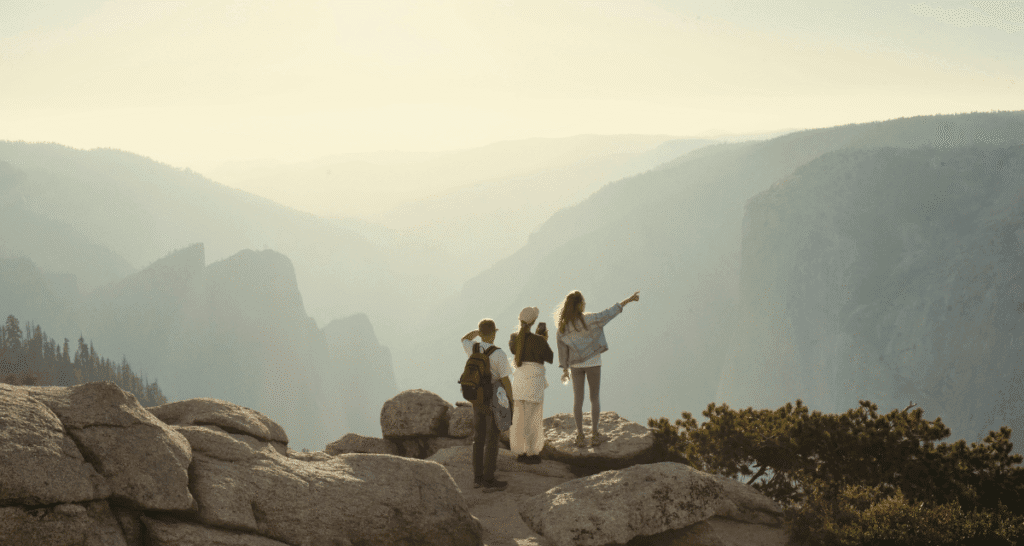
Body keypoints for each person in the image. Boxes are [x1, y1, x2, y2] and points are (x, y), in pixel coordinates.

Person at [555, 290, 640, 448]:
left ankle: (580, 436)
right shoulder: (590, 319)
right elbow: (609, 313)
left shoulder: (562, 328)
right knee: (594, 398)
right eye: (583, 301)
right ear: (579, 304)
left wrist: (565, 369)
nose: (585, 303)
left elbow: (562, 351)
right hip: (593, 362)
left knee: (577, 401)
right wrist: (628, 300)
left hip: (575, 365)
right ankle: (594, 435)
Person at [461, 319, 514, 492]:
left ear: (481, 333)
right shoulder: (498, 353)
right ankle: (489, 479)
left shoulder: (473, 348)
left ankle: (477, 478)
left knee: (479, 437)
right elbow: (505, 379)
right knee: (492, 438)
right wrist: (511, 400)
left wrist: (477, 333)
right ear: (494, 333)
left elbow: (464, 338)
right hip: (493, 397)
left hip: (477, 398)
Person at [508, 306, 554, 465]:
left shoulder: (514, 338)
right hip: (534, 381)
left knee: (519, 417)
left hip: (519, 380)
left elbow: (516, 350)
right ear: (534, 321)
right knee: (533, 418)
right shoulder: (539, 340)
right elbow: (550, 357)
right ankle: (532, 452)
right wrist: (544, 339)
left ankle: (519, 452)